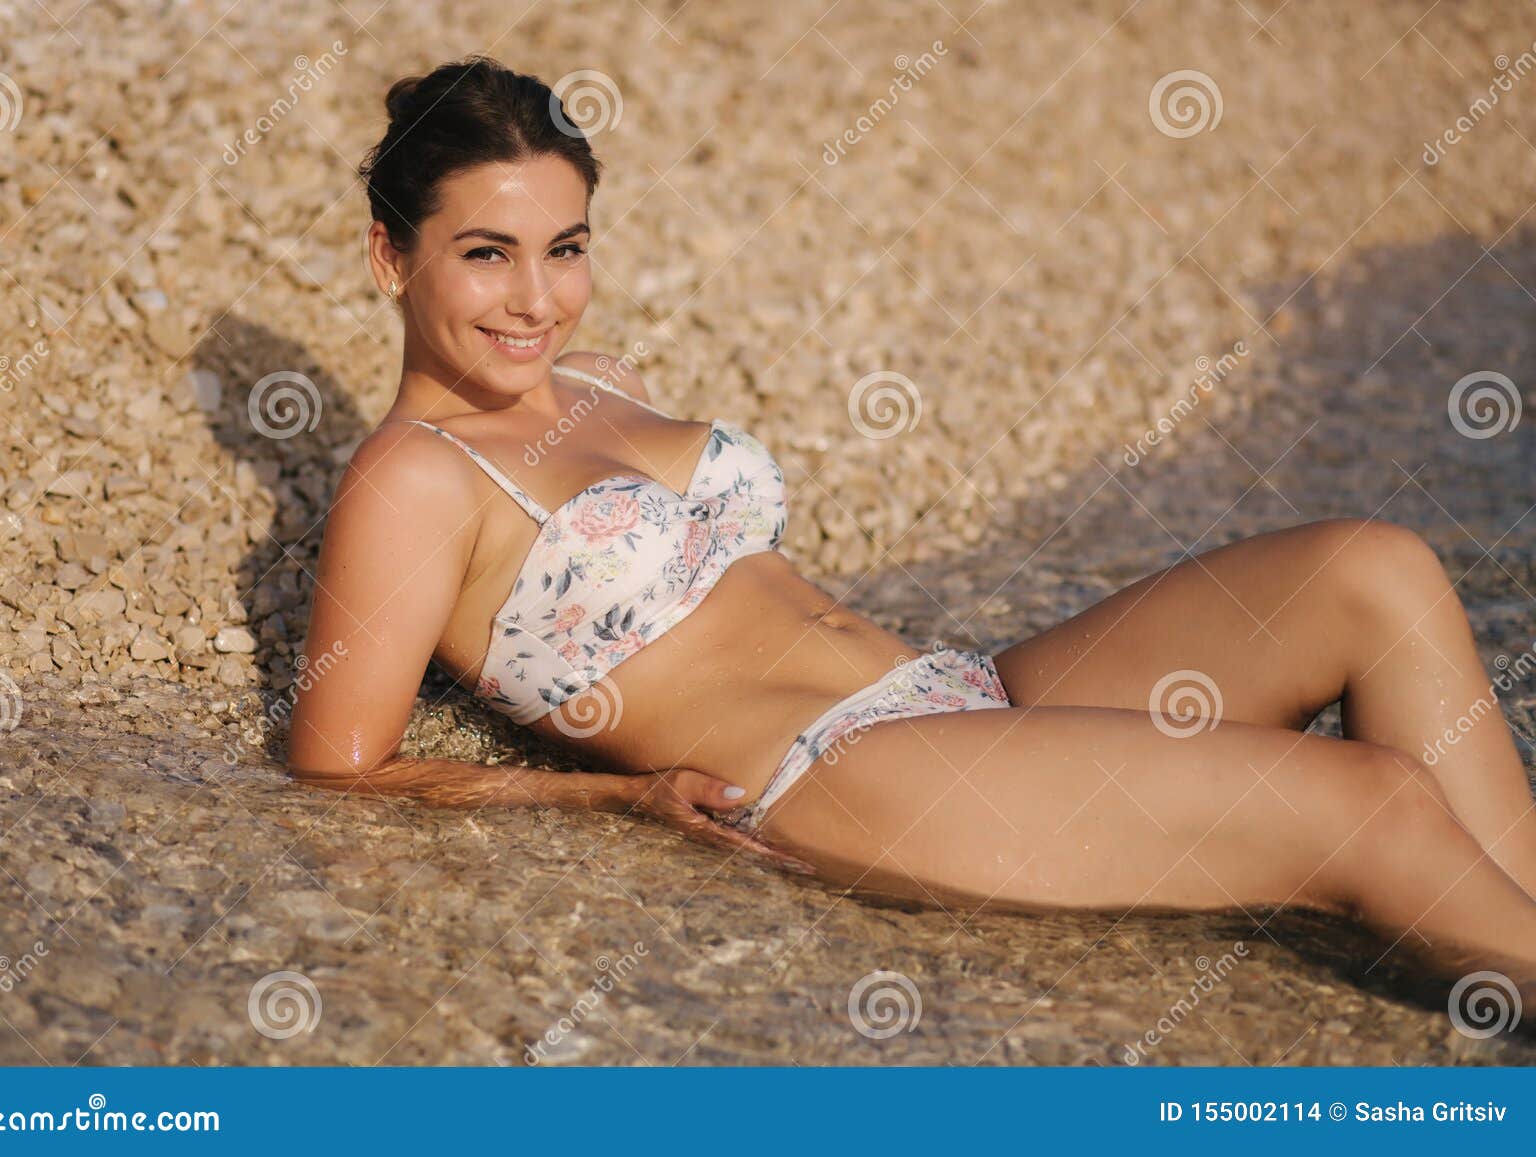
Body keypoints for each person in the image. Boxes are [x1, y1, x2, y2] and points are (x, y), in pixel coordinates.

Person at [286, 54, 1536, 1003]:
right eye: (486, 255)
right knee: (1362, 803)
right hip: (833, 775)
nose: (537, 298)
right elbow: (333, 773)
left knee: (1373, 570)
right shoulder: (415, 478)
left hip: (963, 696)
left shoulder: (599, 381)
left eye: (565, 247)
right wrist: (619, 797)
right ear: (392, 259)